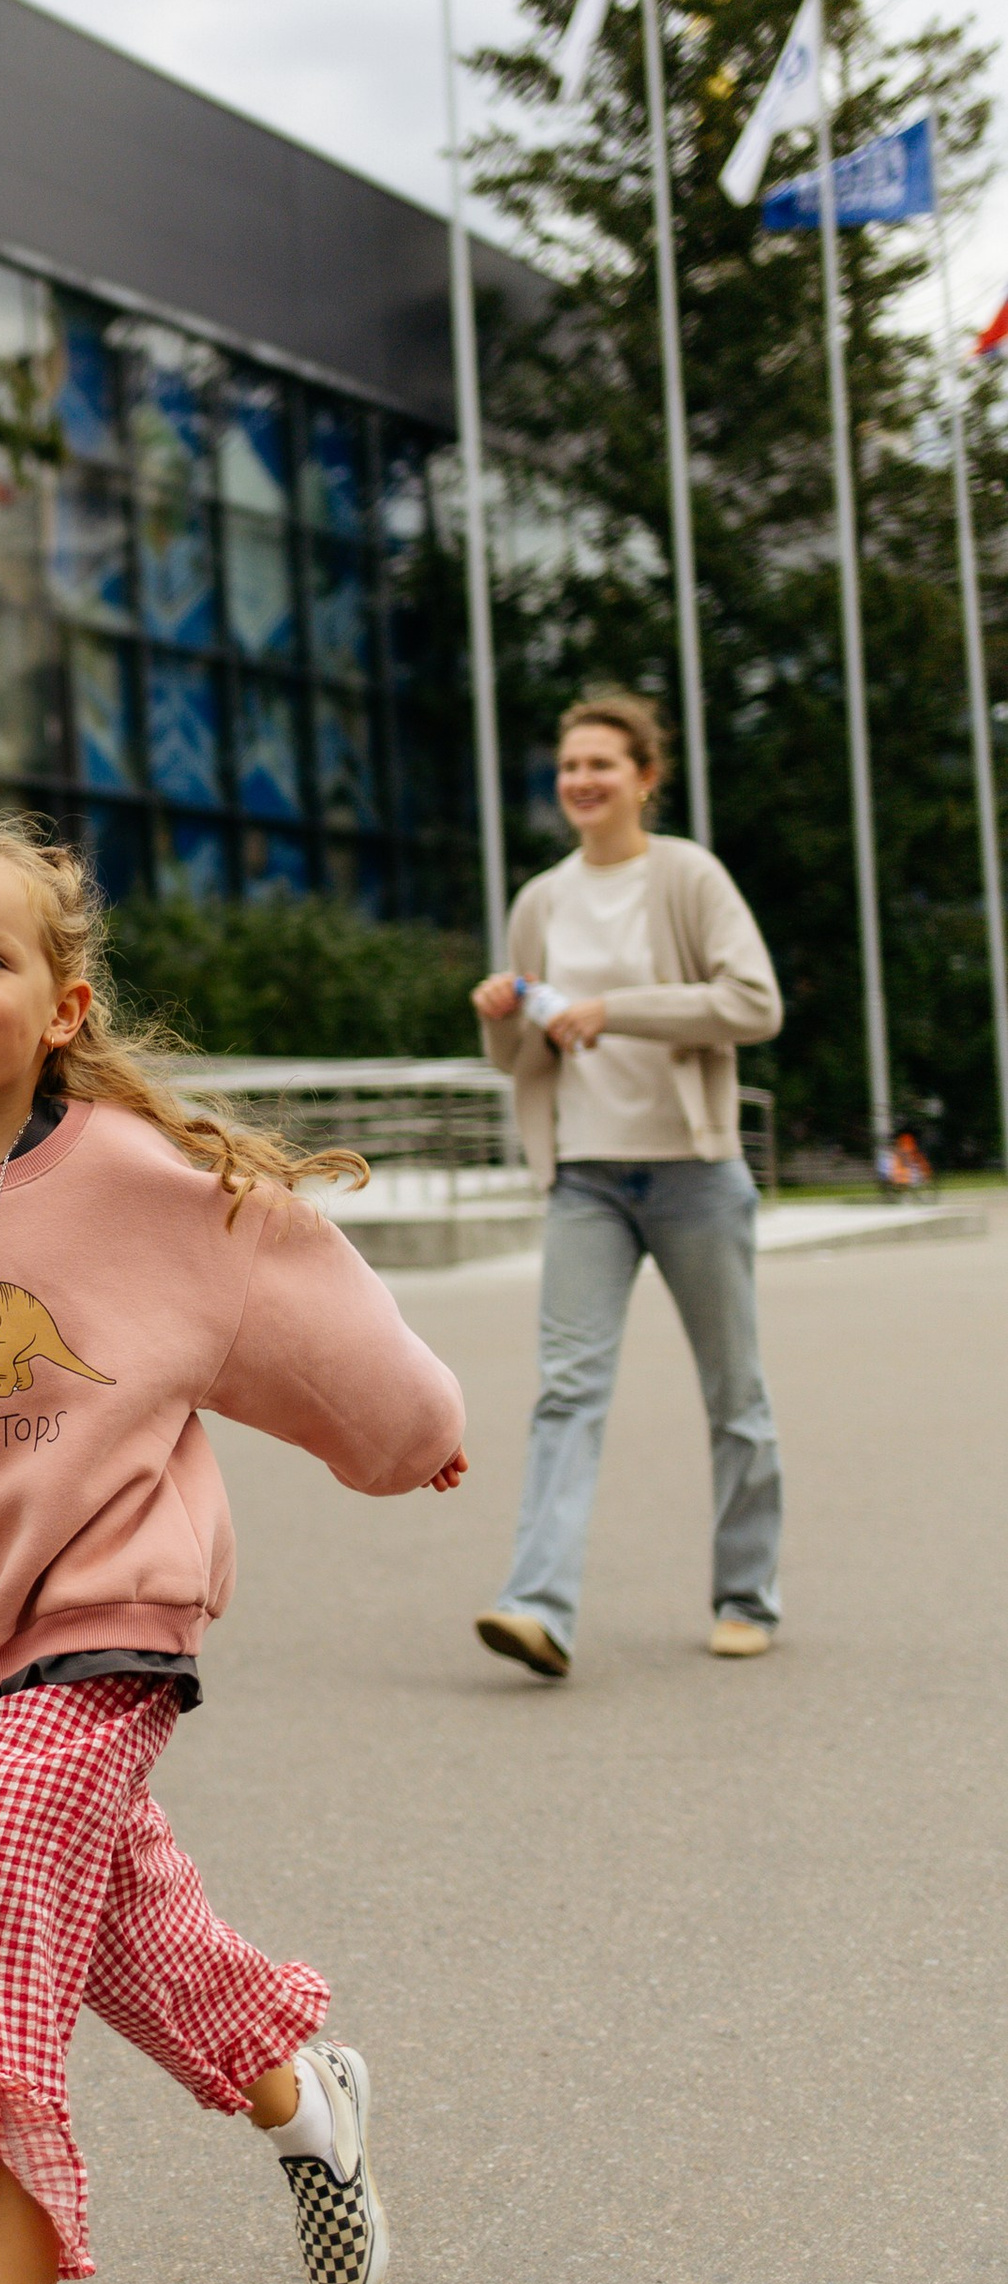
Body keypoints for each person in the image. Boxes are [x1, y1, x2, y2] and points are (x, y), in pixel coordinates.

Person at [0, 815, 467, 2284]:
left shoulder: (132, 1175)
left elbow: (288, 1286)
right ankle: (307, 2102)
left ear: (60, 1009)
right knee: (134, 1936)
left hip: (116, 1612)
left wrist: (411, 1430)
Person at [470, 691, 787, 1680]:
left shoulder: (687, 875)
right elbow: (522, 1046)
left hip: (695, 1171)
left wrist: (617, 1010)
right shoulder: (541, 899)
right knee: (566, 1394)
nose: (581, 781)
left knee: (732, 1392)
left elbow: (753, 1003)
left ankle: (746, 1595)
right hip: (586, 1178)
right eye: (569, 765)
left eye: (602, 763)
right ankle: (536, 1606)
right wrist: (497, 1015)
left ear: (646, 776)